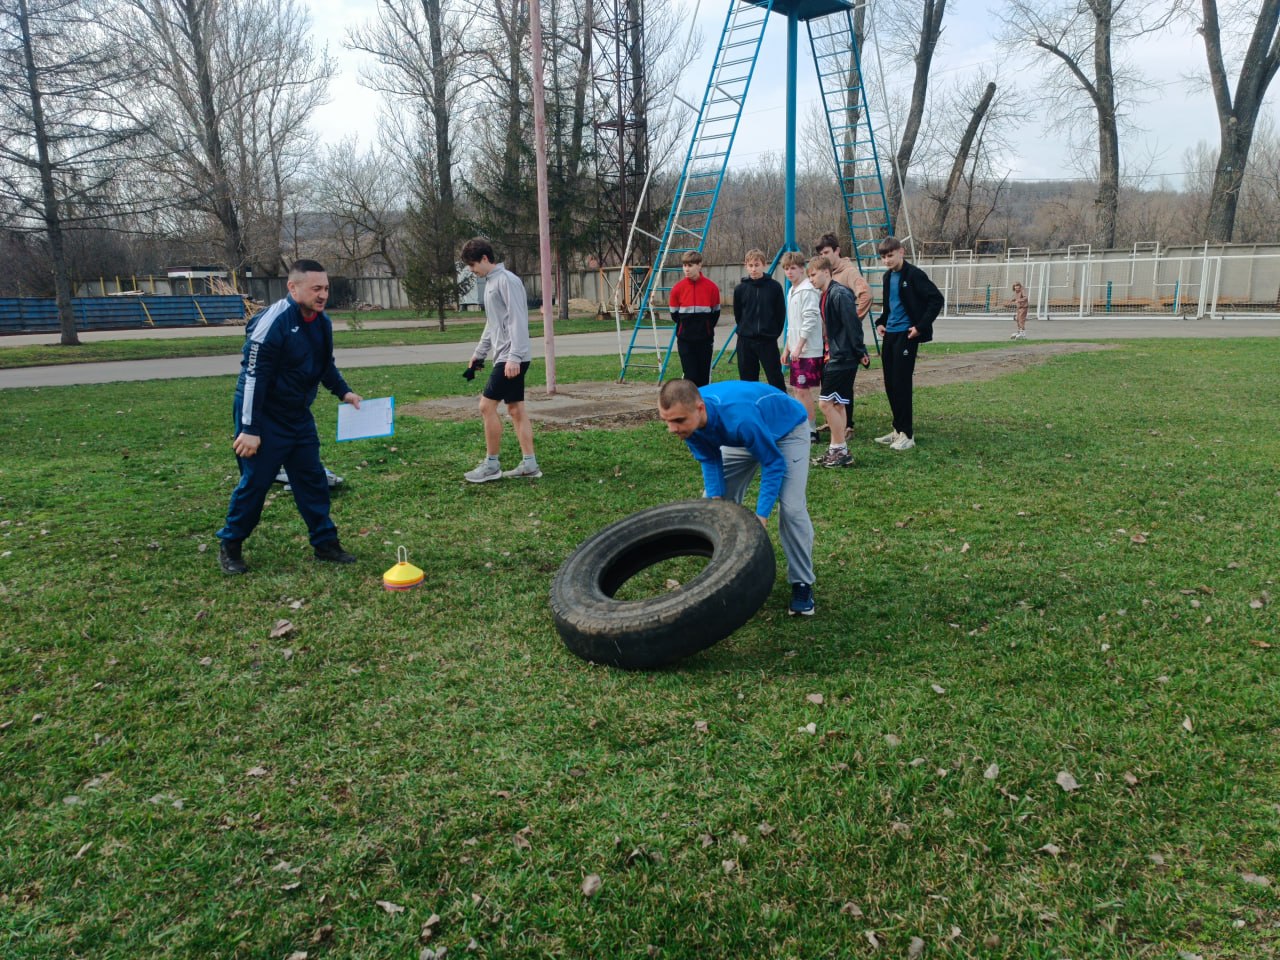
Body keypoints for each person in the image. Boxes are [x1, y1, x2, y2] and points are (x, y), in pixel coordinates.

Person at [216, 259, 362, 575]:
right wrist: (250, 429)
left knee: (311, 478)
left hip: (298, 416)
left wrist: (344, 392)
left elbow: (325, 365)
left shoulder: (321, 322)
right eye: (316, 289)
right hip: (264, 417)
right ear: (293, 288)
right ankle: (231, 544)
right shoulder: (273, 322)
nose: (323, 295)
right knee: (255, 483)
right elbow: (253, 377)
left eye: (325, 288)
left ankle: (325, 544)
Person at [658, 378, 816, 616]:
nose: (672, 429)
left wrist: (761, 516)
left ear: (700, 409)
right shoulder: (689, 421)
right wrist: (716, 501)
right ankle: (727, 573)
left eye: (678, 421)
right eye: (667, 421)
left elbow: (772, 463)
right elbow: (710, 459)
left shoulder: (739, 418)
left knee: (792, 510)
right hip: (740, 437)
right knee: (714, 507)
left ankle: (802, 583)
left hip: (785, 430)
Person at [460, 237, 541, 482]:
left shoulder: (507, 281)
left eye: (473, 265)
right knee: (515, 409)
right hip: (505, 356)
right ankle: (530, 464)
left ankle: (492, 465)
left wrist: (514, 357)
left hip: (511, 357)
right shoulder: (492, 283)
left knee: (486, 406)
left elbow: (518, 319)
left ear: (485, 258)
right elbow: (493, 323)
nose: (473, 271)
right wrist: (479, 353)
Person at [874, 237, 944, 451]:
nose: (887, 260)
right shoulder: (887, 277)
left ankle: (908, 434)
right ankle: (897, 429)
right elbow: (889, 307)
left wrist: (920, 326)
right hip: (891, 335)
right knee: (890, 383)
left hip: (907, 335)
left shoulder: (914, 275)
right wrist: (882, 322)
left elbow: (936, 299)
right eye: (883, 257)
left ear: (901, 252)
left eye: (890, 255)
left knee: (902, 383)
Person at [807, 255, 870, 468]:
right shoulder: (825, 295)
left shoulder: (840, 293)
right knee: (838, 403)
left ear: (826, 272)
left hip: (842, 357)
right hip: (835, 355)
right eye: (809, 276)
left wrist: (860, 351)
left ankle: (840, 449)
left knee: (825, 403)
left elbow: (852, 324)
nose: (811, 279)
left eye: (813, 274)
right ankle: (837, 449)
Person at [779, 251, 823, 443]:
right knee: (797, 389)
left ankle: (812, 430)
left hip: (808, 350)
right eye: (787, 269)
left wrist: (799, 346)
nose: (790, 272)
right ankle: (802, 425)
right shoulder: (791, 290)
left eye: (793, 268)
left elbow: (810, 320)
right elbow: (792, 324)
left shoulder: (808, 290)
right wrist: (787, 348)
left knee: (803, 390)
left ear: (802, 269)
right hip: (797, 350)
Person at [732, 249, 786, 391]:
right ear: (746, 266)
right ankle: (752, 408)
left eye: (757, 265)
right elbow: (738, 314)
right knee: (747, 380)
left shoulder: (774, 287)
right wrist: (745, 330)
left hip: (767, 340)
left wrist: (772, 333)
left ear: (764, 265)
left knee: (775, 378)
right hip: (745, 341)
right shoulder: (740, 289)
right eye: (750, 265)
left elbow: (780, 314)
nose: (753, 269)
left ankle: (781, 407)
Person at [668, 251, 721, 386]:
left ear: (699, 265)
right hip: (685, 341)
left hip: (705, 341)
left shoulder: (712, 288)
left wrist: (705, 328)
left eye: (690, 265)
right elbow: (674, 315)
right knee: (690, 376)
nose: (686, 269)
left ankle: (703, 405)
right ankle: (690, 405)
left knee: (703, 378)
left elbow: (715, 313)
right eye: (684, 265)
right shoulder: (677, 289)